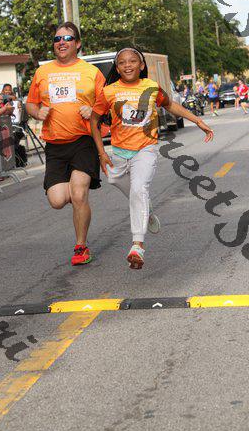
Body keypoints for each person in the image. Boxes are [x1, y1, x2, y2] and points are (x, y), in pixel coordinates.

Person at [90, 48, 214, 269]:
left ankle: (137, 245)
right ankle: (145, 211)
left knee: (139, 188)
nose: (127, 65)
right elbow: (94, 120)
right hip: (119, 151)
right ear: (117, 68)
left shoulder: (152, 87)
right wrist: (101, 153)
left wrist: (197, 120)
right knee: (115, 180)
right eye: (122, 62)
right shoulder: (109, 91)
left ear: (141, 65)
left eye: (132, 61)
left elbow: (170, 104)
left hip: (145, 149)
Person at [26, 21, 105, 266]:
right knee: (58, 200)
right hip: (55, 144)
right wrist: (37, 112)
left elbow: (108, 104)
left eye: (67, 38)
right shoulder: (43, 72)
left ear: (77, 44)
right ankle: (78, 197)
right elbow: (30, 103)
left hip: (83, 140)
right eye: (57, 39)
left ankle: (81, 246)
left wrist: (93, 110)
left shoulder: (92, 72)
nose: (61, 42)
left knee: (79, 194)